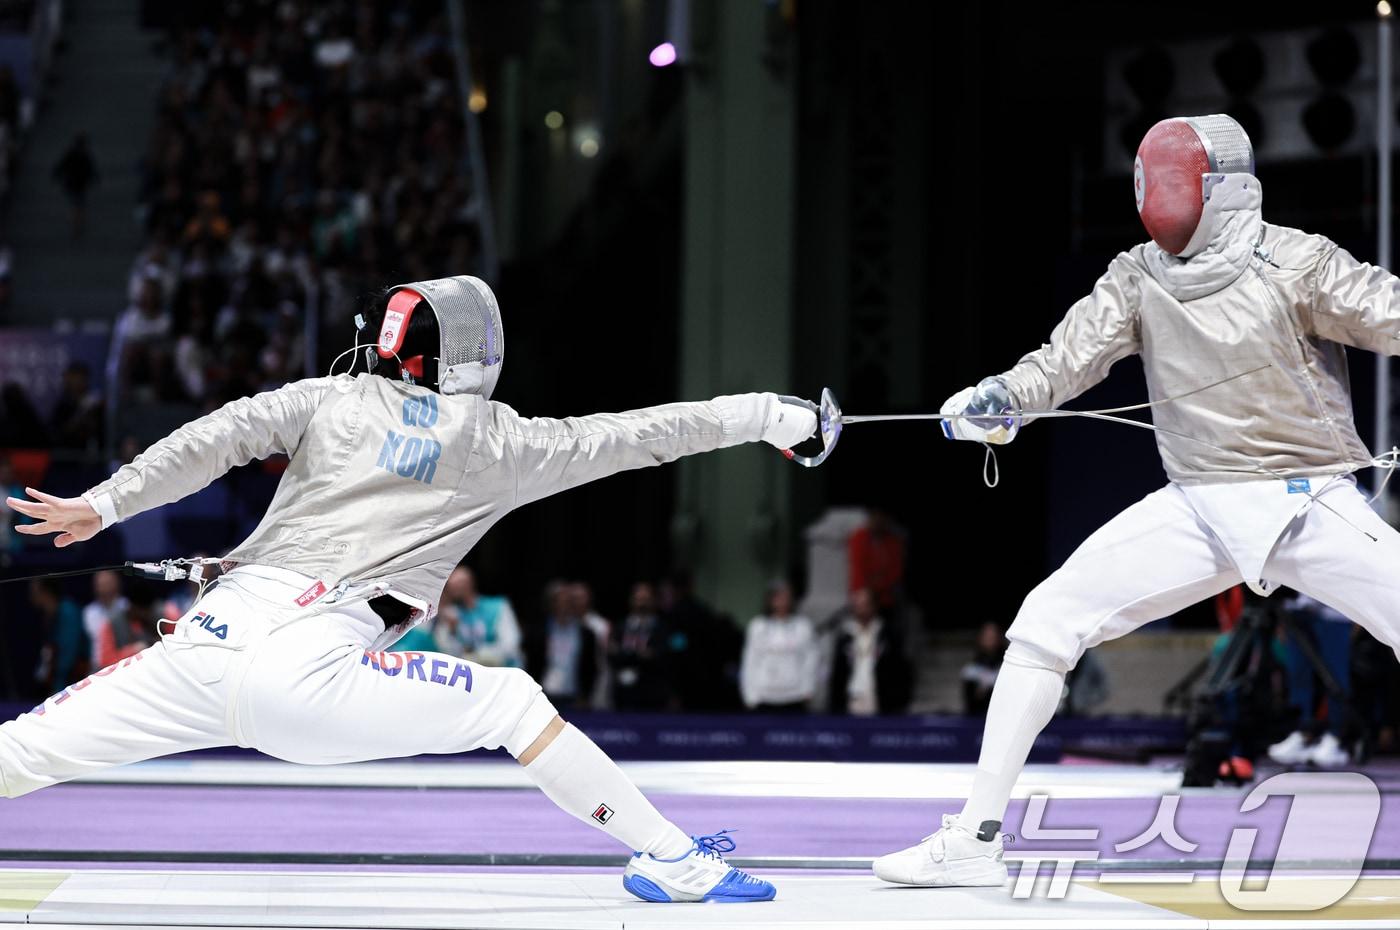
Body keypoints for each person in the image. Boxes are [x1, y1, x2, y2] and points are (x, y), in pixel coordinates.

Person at [4, 275, 816, 904]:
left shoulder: (326, 397)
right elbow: (644, 435)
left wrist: (102, 503)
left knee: (23, 751)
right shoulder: (501, 442)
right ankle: (673, 861)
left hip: (203, 646)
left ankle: (673, 859)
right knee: (513, 705)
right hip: (313, 679)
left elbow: (214, 437)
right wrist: (766, 414)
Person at [876, 113, 1400, 887]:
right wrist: (1001, 399)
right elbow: (1064, 359)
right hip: (1196, 505)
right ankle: (974, 840)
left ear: (1217, 187)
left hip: (1304, 498)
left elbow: (1389, 313)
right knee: (1046, 622)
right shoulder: (1140, 275)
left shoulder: (1296, 261)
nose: (1154, 196)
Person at [828, 587, 912, 716]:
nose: (860, 609)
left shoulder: (887, 634)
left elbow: (900, 669)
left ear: (874, 606)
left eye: (864, 604)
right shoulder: (846, 636)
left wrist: (899, 700)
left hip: (879, 700)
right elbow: (838, 673)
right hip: (852, 699)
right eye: (857, 605)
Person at [739, 580, 819, 713]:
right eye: (778, 597)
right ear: (770, 600)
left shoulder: (803, 627)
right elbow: (750, 661)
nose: (782, 601)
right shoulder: (758, 626)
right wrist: (750, 695)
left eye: (786, 597)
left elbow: (811, 660)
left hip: (795, 695)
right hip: (764, 696)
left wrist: (808, 689)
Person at [527, 582, 597, 711]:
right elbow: (532, 663)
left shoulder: (586, 634)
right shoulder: (539, 632)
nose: (564, 607)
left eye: (568, 602)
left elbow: (591, 667)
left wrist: (586, 696)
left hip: (574, 698)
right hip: (544, 696)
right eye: (560, 602)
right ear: (551, 604)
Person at [437, 565, 522, 667]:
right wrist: (452, 631)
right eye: (450, 587)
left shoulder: (497, 606)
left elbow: (510, 644)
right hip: (474, 675)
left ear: (469, 584)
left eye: (457, 586)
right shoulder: (453, 614)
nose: (453, 591)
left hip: (504, 671)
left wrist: (474, 655)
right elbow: (447, 652)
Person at [611, 582, 672, 711]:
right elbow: (613, 653)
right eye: (639, 599)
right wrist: (640, 654)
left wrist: (629, 654)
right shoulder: (621, 626)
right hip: (624, 693)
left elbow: (661, 656)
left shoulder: (661, 628)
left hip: (652, 694)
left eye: (646, 599)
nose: (642, 604)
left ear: (653, 601)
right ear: (631, 601)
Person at [29, 579, 89, 694]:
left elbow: (69, 654)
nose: (31, 597)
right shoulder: (48, 615)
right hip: (58, 682)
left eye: (34, 592)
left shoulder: (68, 612)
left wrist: (58, 690)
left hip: (75, 682)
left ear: (45, 592)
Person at [53, 133, 98, 239]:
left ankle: (76, 223)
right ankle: (77, 223)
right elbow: (91, 169)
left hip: (72, 183)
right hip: (80, 184)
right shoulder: (85, 155)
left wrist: (56, 175)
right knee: (79, 205)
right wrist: (94, 179)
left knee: (75, 205)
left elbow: (61, 165)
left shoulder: (71, 153)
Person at [961, 622, 1006, 716]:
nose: (990, 639)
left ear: (999, 638)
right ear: (980, 639)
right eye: (987, 636)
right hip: (977, 718)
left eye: (993, 636)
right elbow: (969, 703)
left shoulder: (1006, 667)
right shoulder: (971, 669)